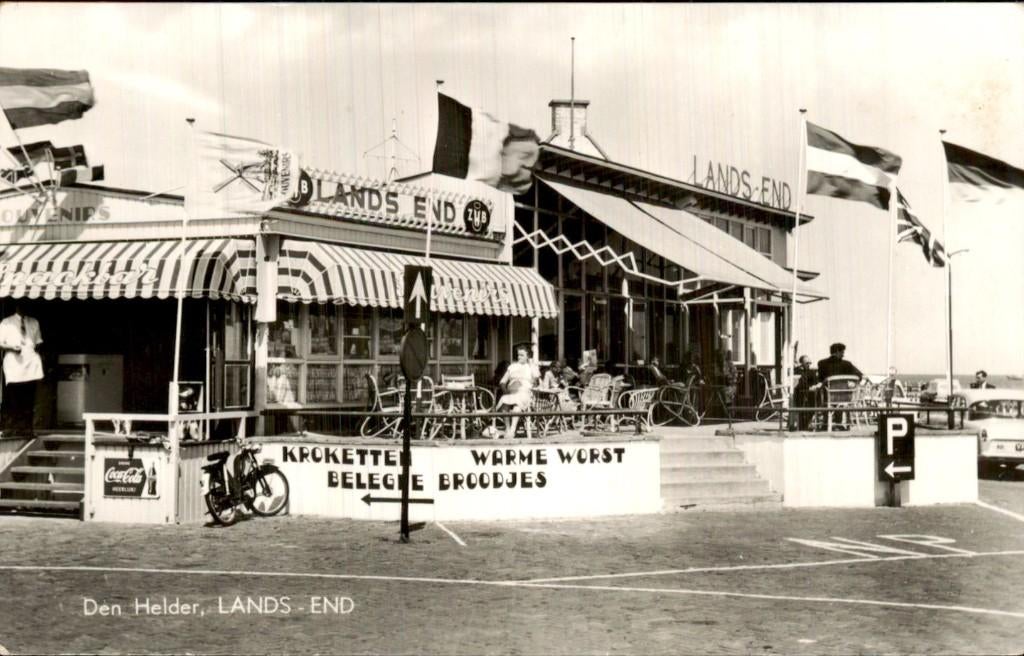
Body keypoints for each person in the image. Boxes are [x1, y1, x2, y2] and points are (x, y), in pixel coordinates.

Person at [0, 301, 44, 437]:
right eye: (22, 304)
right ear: (17, 306)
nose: (25, 307)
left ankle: (26, 429)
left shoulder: (34, 322)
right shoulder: (6, 322)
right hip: (14, 364)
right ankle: (10, 428)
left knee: (28, 398)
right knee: (13, 397)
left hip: (30, 364)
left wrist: (34, 354)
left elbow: (38, 342)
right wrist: (12, 347)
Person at [495, 345, 540, 437]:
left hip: (525, 394)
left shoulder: (531, 367)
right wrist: (505, 390)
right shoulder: (512, 366)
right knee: (504, 402)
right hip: (512, 393)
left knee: (517, 405)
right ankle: (507, 428)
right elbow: (502, 381)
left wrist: (531, 364)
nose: (519, 357)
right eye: (518, 355)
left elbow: (537, 380)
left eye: (522, 355)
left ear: (528, 356)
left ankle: (512, 429)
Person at [816, 343, 862, 430]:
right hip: (845, 396)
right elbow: (859, 375)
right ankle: (838, 423)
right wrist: (852, 381)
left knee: (825, 394)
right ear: (837, 351)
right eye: (842, 352)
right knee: (840, 397)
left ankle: (826, 423)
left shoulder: (822, 363)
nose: (843, 354)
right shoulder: (847, 364)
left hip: (828, 396)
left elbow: (820, 379)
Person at [791, 355, 817, 431]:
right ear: (801, 363)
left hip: (809, 394)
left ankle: (806, 423)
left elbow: (815, 381)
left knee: (813, 402)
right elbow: (798, 383)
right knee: (803, 402)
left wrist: (814, 386)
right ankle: (803, 424)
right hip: (798, 393)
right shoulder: (796, 371)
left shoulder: (811, 372)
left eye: (810, 363)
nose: (809, 365)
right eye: (807, 363)